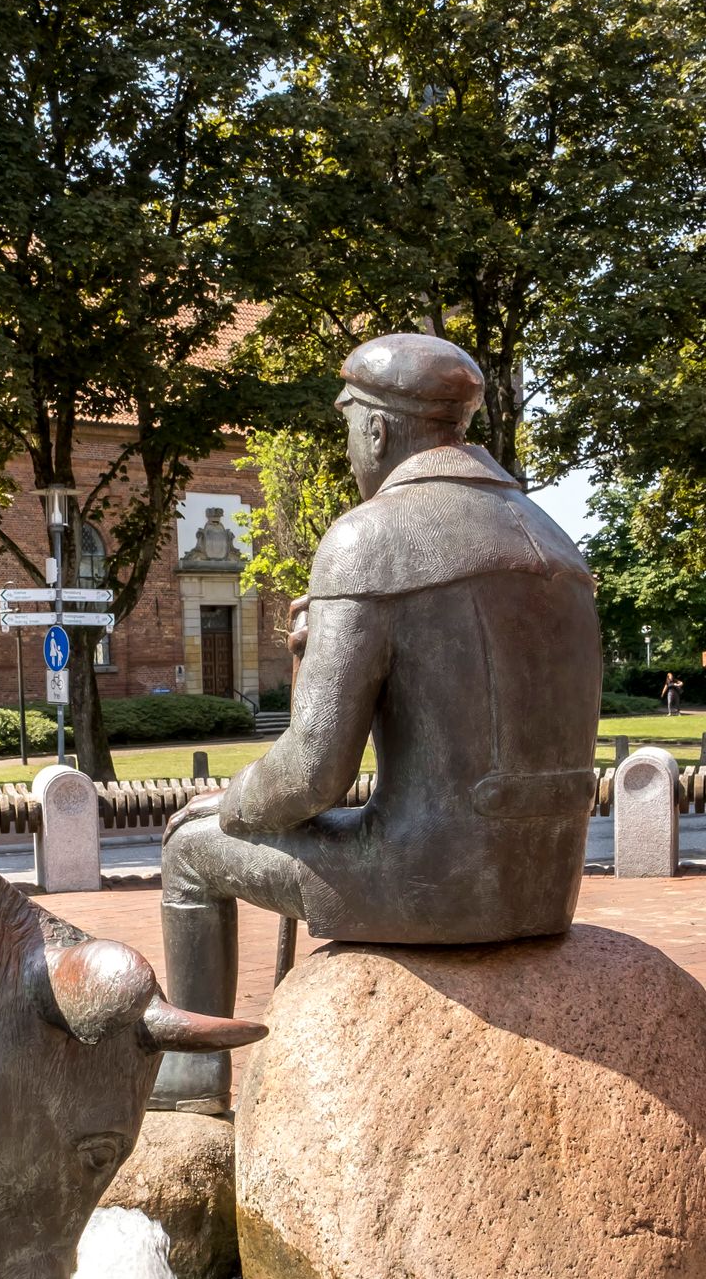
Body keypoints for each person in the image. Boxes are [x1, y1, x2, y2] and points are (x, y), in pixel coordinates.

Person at [149, 334, 603, 1113]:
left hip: (433, 879)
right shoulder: (551, 537)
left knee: (191, 850)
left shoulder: (370, 536)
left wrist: (233, 805)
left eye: (349, 424)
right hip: (542, 881)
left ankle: (191, 1086)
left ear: (379, 430)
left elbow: (313, 772)